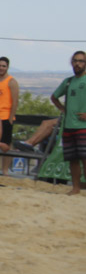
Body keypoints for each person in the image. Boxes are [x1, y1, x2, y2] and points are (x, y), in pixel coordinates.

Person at [51, 50, 86, 195]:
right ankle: (76, 188)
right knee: (73, 160)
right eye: (75, 61)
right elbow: (54, 97)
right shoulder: (68, 81)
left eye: (81, 61)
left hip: (83, 127)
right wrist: (62, 108)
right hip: (68, 126)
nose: (77, 63)